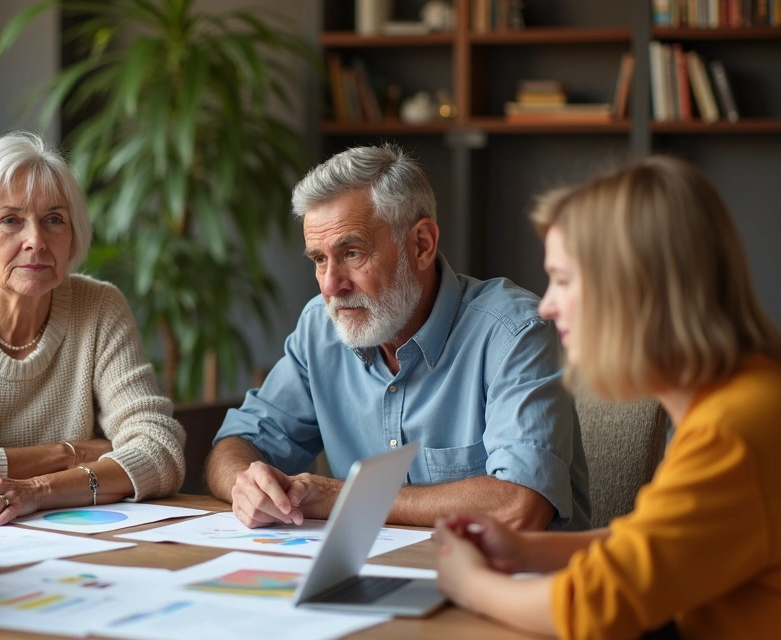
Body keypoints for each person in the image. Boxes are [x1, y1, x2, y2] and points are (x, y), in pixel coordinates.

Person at [433, 156, 781, 639]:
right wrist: (526, 551)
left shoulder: (732, 432)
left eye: (564, 279)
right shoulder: (743, 399)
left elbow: (593, 610)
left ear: (636, 288)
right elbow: (652, 544)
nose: (548, 304)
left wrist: (469, 585)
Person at [206, 143, 590, 531]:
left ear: (422, 245)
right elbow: (236, 441)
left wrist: (342, 497)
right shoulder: (320, 330)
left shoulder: (514, 332)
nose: (330, 285)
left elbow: (519, 505)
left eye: (352, 252)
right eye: (319, 260)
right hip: (367, 579)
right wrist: (247, 483)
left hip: (510, 585)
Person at [0, 131, 185, 526]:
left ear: (72, 235)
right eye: (10, 221)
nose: (36, 241)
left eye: (54, 220)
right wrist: (70, 453)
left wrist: (39, 491)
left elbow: (161, 450)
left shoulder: (100, 307)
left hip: (76, 534)